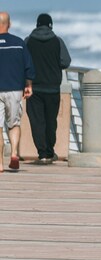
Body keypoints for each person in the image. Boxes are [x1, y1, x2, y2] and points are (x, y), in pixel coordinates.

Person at [26, 13, 72, 164]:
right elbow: (65, 62)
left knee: (37, 122)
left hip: (34, 88)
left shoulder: (28, 41)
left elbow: (23, 61)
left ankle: (43, 154)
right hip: (53, 88)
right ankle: (50, 151)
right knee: (51, 122)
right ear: (51, 25)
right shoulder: (57, 41)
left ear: (37, 25)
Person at [0, 12, 34, 172]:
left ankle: (0, 164)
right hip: (14, 89)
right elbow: (28, 66)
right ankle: (14, 153)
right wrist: (28, 85)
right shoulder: (19, 43)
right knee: (13, 124)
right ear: (9, 24)